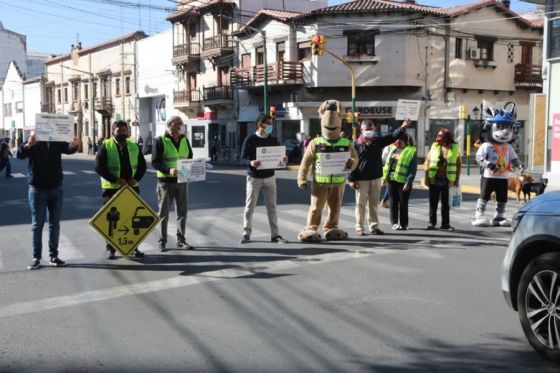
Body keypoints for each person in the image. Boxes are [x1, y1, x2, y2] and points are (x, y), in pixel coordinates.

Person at [16, 133, 80, 269]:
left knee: (54, 224)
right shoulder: (33, 139)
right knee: (37, 224)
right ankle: (36, 257)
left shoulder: (56, 139)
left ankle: (53, 256)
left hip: (56, 187)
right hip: (37, 188)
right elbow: (19, 154)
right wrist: (28, 145)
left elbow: (68, 149)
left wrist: (74, 145)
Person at [348, 119, 412, 236]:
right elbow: (350, 162)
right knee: (360, 203)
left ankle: (374, 227)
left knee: (373, 204)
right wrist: (351, 179)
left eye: (371, 129)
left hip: (376, 177)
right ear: (361, 130)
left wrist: (402, 127)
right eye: (367, 130)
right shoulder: (355, 144)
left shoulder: (377, 141)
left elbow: (392, 137)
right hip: (361, 178)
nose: (370, 132)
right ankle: (360, 227)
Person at [95, 120, 147, 259]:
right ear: (113, 132)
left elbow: (142, 166)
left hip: (131, 188)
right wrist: (116, 180)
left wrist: (136, 179)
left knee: (131, 219)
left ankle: (134, 247)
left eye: (124, 131)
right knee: (112, 222)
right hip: (111, 189)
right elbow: (99, 168)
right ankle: (111, 249)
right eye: (119, 131)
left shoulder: (134, 146)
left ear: (128, 132)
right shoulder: (106, 145)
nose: (122, 133)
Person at [239, 114, 288, 244]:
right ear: (261, 124)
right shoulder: (250, 139)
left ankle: (275, 235)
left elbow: (279, 157)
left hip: (270, 178)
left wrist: (284, 159)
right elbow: (242, 159)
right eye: (269, 124)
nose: (270, 127)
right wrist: (251, 163)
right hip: (254, 178)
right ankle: (246, 233)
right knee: (250, 207)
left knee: (272, 207)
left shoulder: (272, 139)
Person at [152, 115, 194, 252]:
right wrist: (168, 170)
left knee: (182, 211)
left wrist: (192, 168)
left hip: (182, 180)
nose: (180, 127)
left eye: (181, 124)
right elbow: (155, 162)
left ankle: (181, 240)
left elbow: (189, 157)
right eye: (177, 124)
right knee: (163, 213)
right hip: (165, 181)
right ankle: (162, 241)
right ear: (170, 125)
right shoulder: (160, 140)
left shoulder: (184, 140)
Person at [424, 128, 461, 231]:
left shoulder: (454, 148)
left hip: (447, 179)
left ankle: (445, 224)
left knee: (445, 204)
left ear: (447, 137)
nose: (438, 138)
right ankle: (432, 223)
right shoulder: (434, 146)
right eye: (438, 135)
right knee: (433, 203)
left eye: (441, 136)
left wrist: (457, 179)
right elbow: (427, 161)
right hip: (434, 179)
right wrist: (427, 177)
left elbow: (458, 164)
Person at [382, 132, 417, 231]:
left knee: (403, 203)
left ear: (404, 141)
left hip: (403, 182)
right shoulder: (393, 149)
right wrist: (384, 179)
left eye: (399, 140)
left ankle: (404, 224)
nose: (397, 142)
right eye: (396, 140)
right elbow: (387, 165)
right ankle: (394, 223)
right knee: (393, 202)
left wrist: (408, 182)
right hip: (391, 180)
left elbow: (412, 169)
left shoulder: (410, 151)